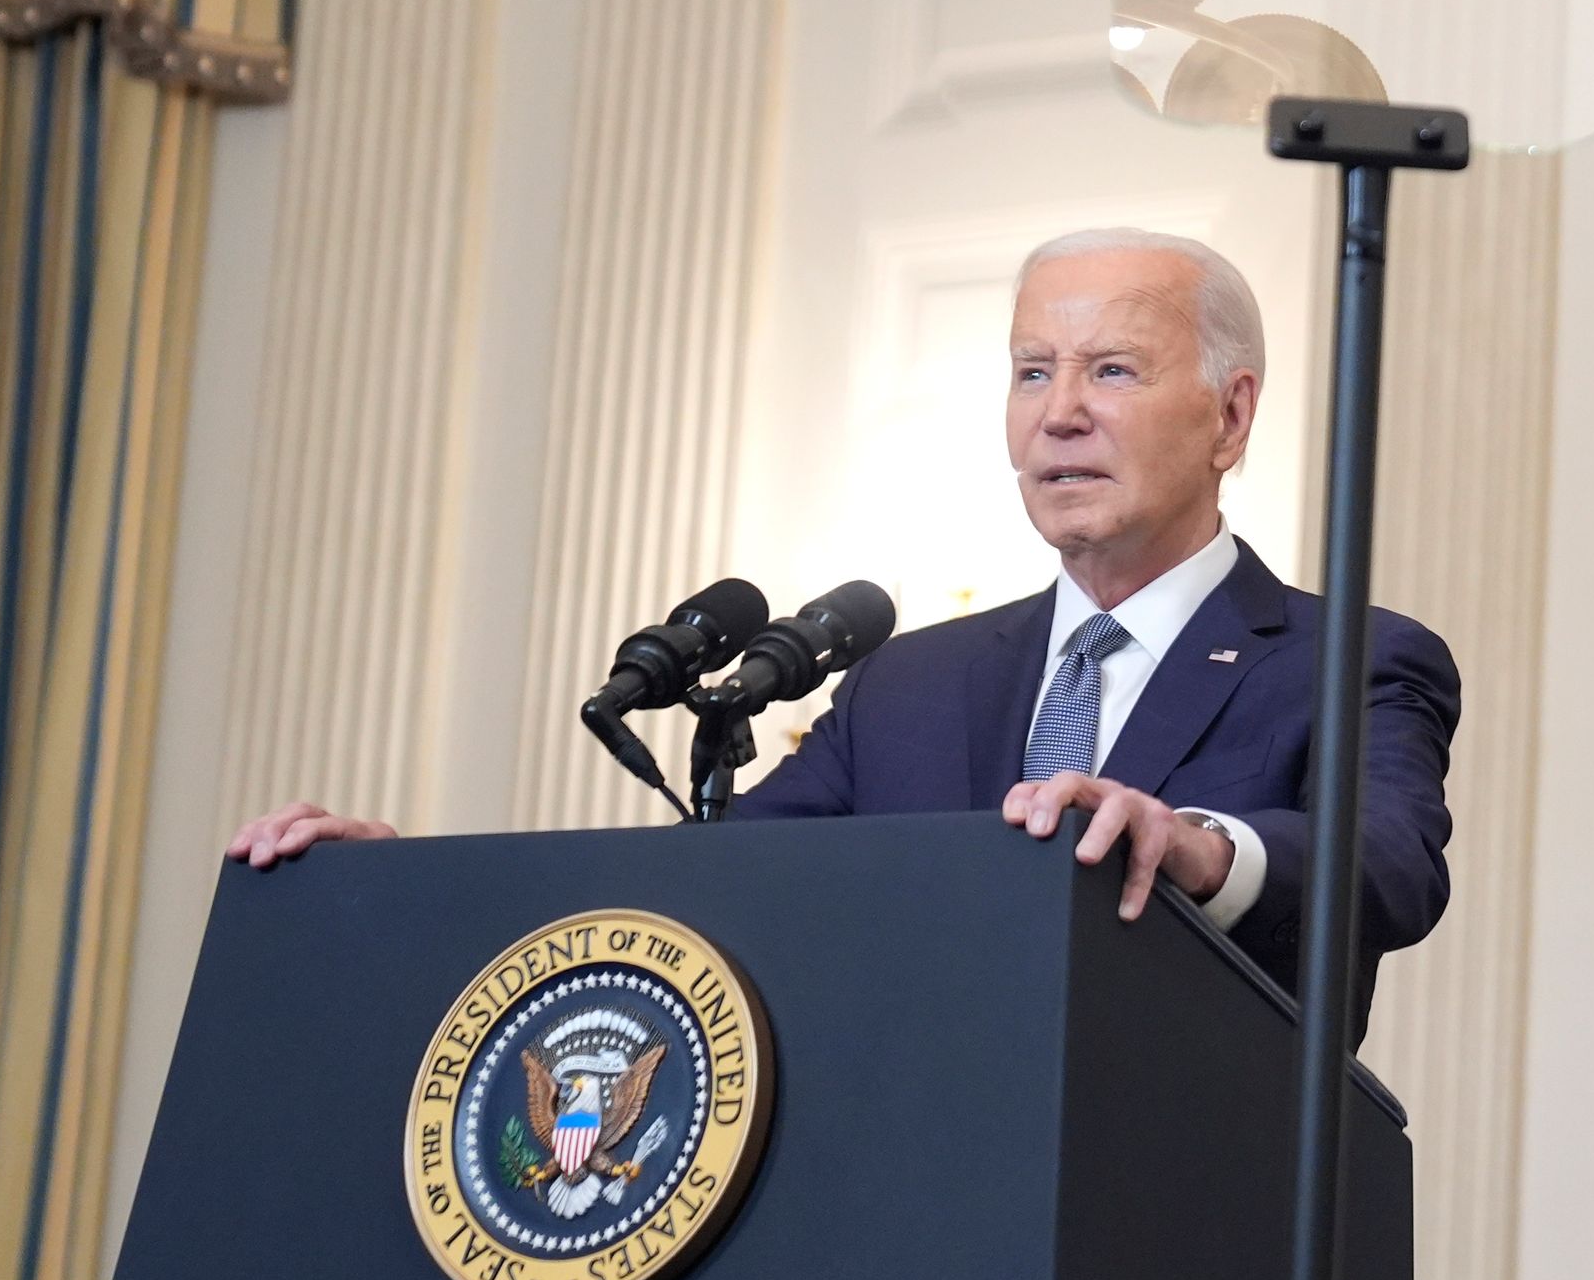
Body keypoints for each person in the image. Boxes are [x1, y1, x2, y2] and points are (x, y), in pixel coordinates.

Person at [230, 227, 1460, 1032]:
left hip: (1173, 1258)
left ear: (1231, 417)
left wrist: (1190, 844)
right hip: (893, 1249)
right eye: (1033, 371)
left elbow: (1389, 865)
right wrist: (404, 887)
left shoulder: (1348, 660)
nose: (1061, 414)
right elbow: (703, 898)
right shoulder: (908, 686)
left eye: (1115, 372)